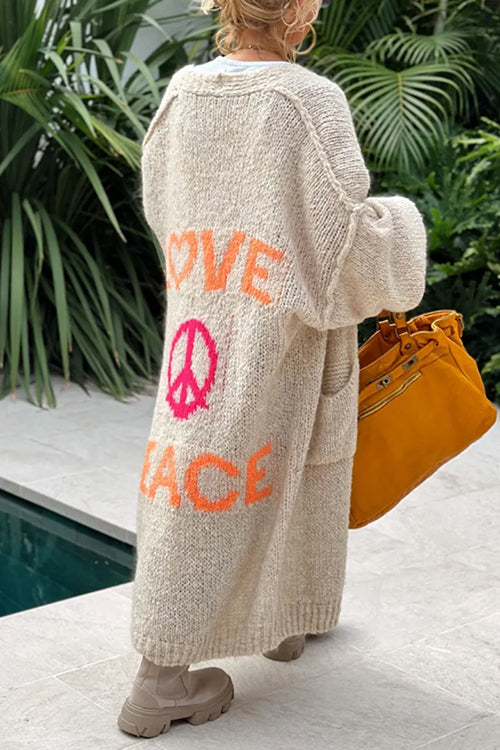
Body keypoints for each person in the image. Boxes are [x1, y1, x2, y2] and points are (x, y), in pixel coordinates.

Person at [117, 0, 428, 739]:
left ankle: (282, 618)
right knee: (249, 469)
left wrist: (225, 265)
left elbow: (164, 208)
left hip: (206, 314)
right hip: (281, 329)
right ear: (298, 8)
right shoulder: (308, 100)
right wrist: (403, 225)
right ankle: (160, 679)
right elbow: (343, 243)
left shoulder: (182, 94)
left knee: (211, 465)